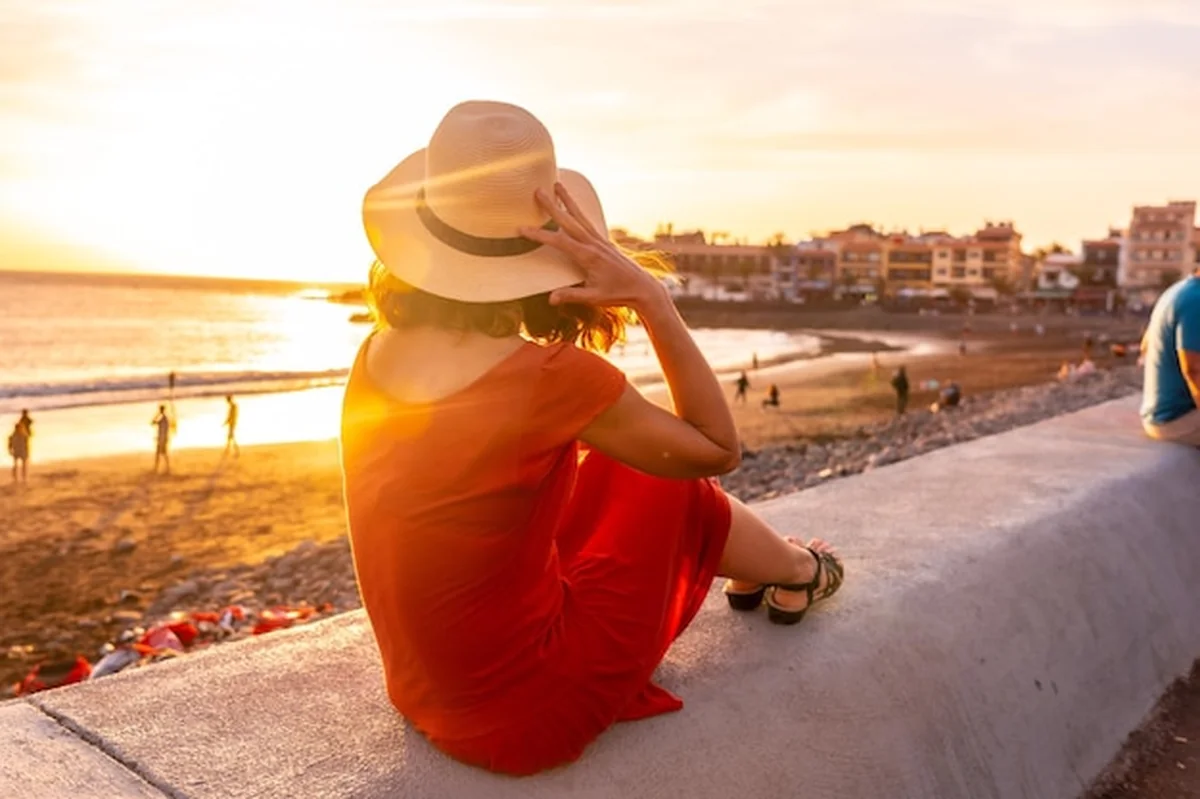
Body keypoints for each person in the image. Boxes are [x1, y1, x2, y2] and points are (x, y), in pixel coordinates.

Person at [342, 101, 844, 776]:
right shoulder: (550, 377)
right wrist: (651, 298)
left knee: (624, 461)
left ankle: (772, 567)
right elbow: (715, 447)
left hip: (420, 690)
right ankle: (795, 569)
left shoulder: (375, 352)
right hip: (522, 714)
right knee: (667, 476)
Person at [1141, 268, 1200, 446]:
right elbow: (1194, 370)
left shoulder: (1181, 290)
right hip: (1176, 419)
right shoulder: (1196, 301)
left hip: (1162, 413)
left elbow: (1145, 346)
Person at [8, 410, 32, 483]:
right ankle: (16, 478)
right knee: (17, 465)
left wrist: (27, 451)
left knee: (22, 465)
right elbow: (9, 445)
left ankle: (23, 477)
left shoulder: (23, 436)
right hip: (18, 451)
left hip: (21, 451)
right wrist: (10, 450)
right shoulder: (14, 436)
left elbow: (26, 445)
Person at [151, 404, 172, 474]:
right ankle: (165, 466)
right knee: (162, 453)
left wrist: (157, 414)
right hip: (162, 439)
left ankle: (158, 467)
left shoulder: (164, 419)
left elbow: (153, 422)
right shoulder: (164, 418)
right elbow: (153, 423)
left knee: (160, 453)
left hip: (162, 439)